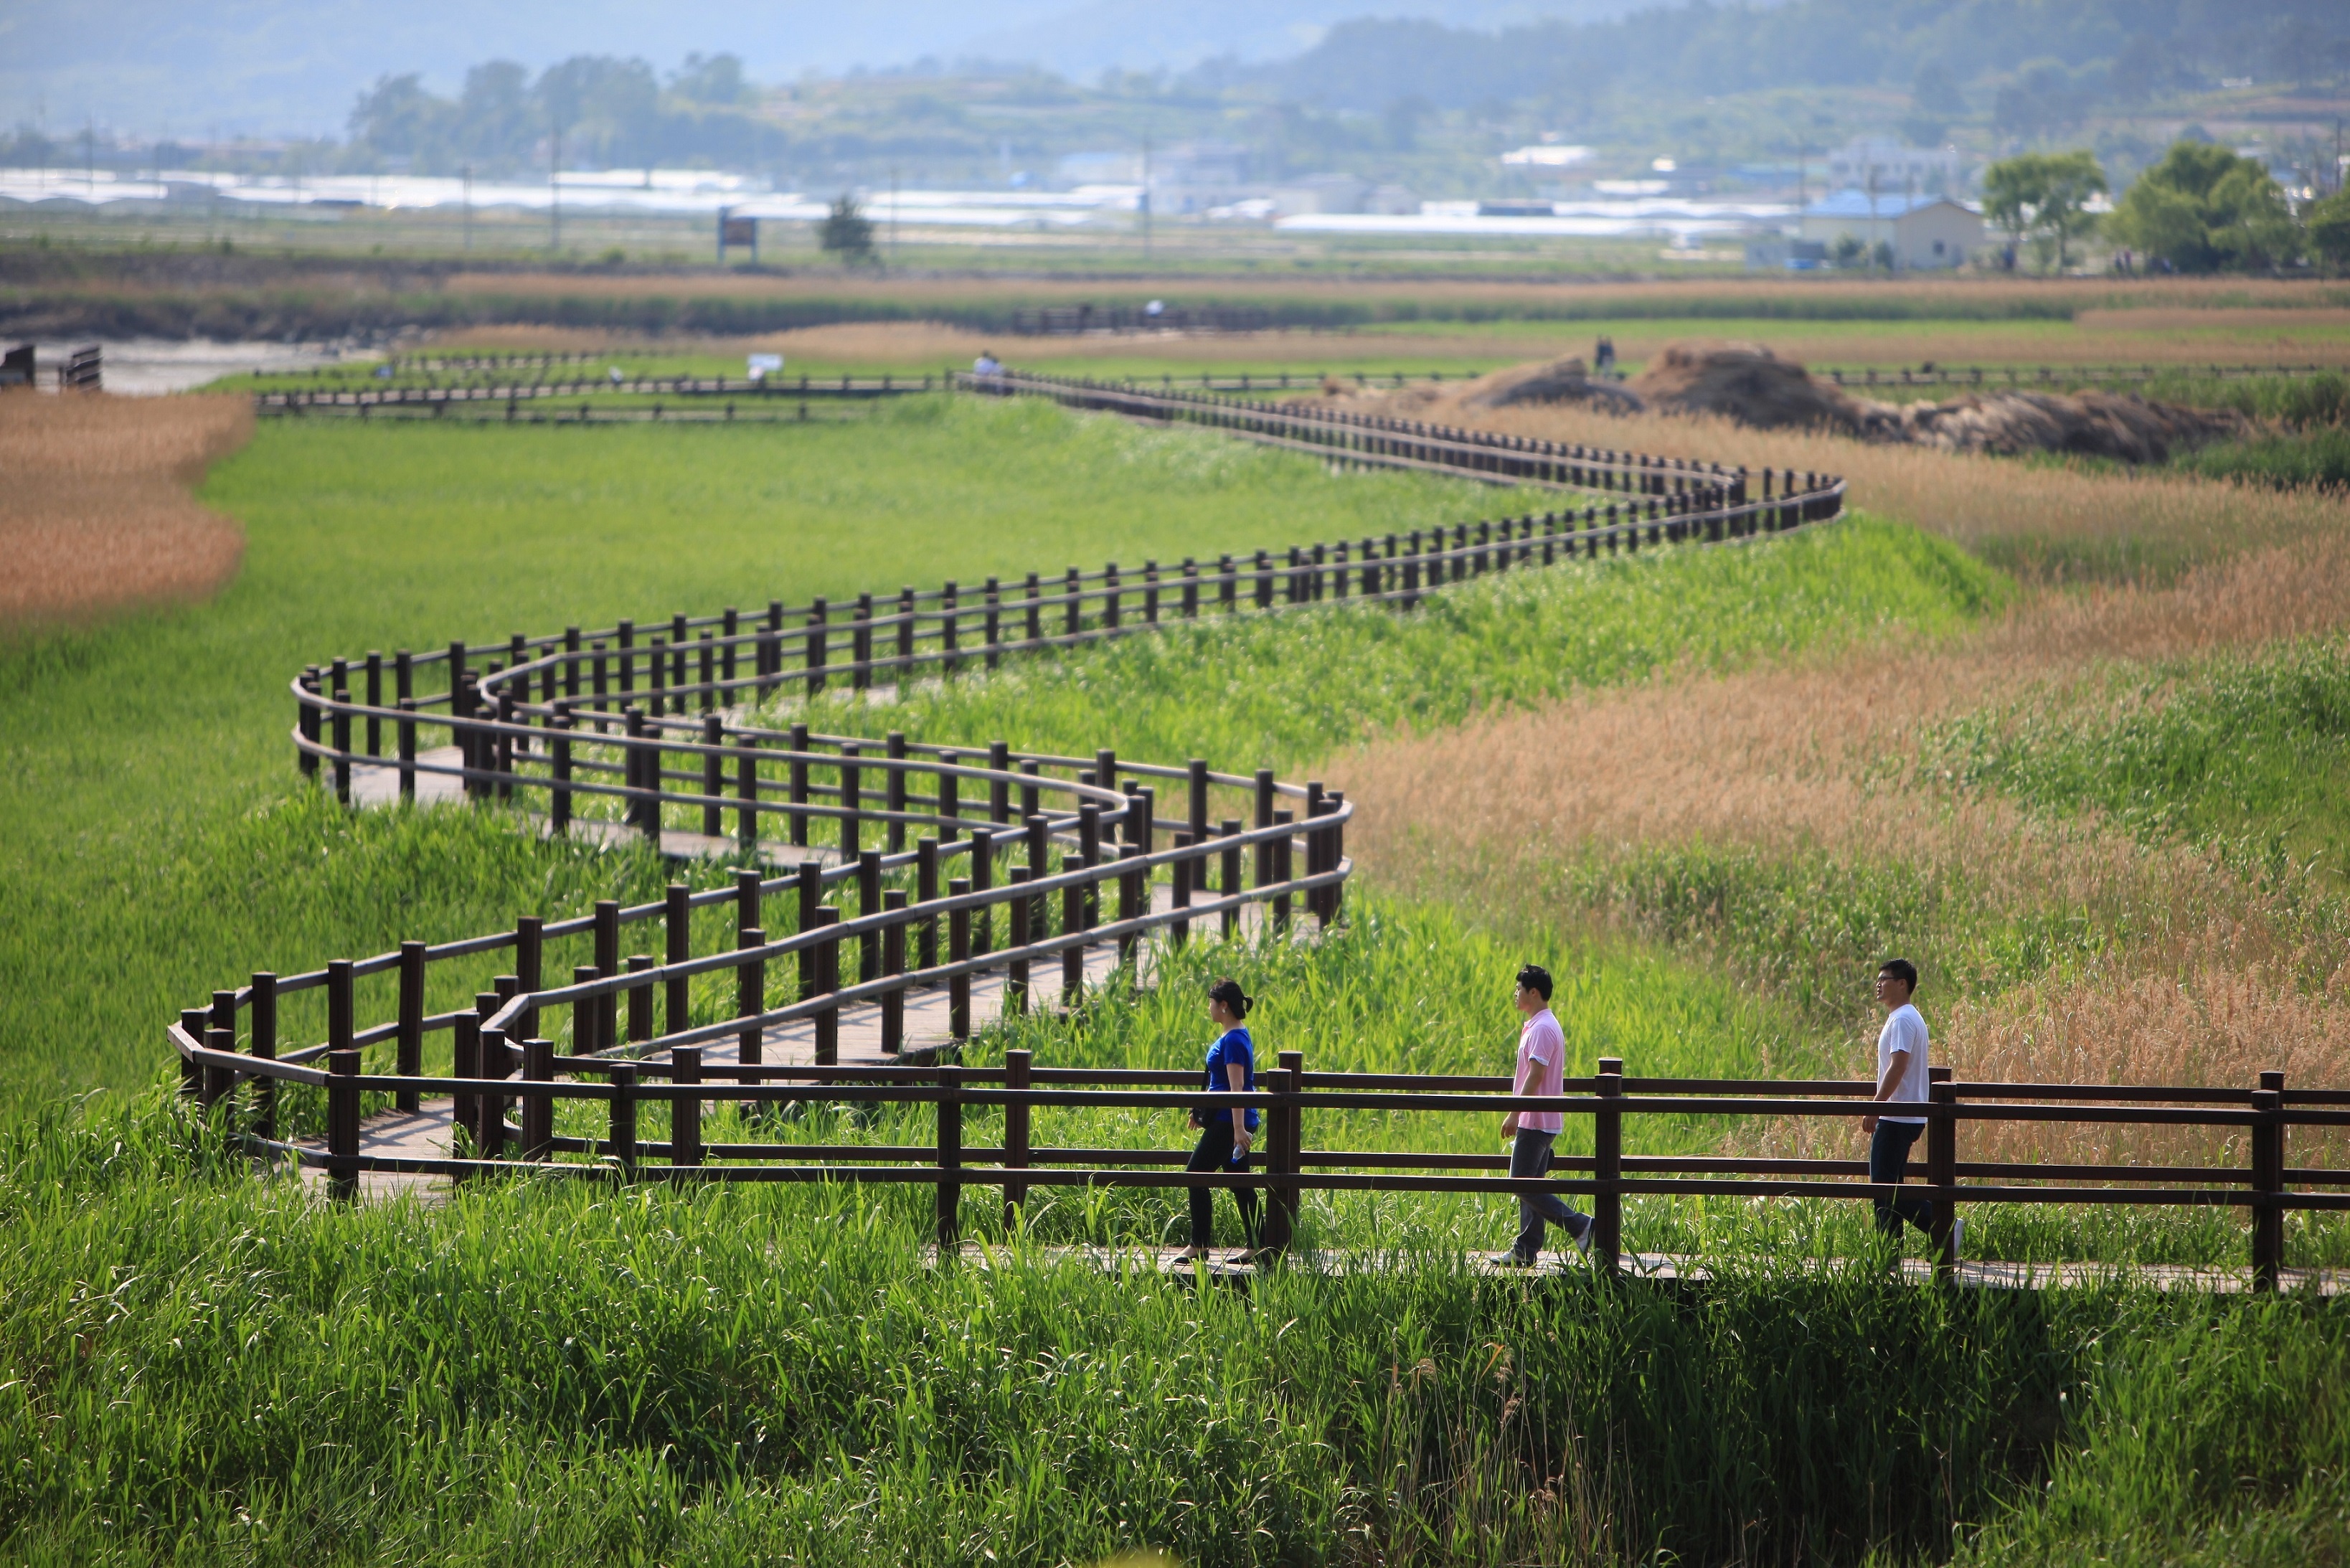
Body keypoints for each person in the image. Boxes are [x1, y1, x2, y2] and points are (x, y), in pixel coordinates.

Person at [1499, 964, 1591, 1265]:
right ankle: (1526, 1250)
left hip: (1535, 1119)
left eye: (1519, 989)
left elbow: (1535, 1076)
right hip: (1541, 1118)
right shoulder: (1541, 1024)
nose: (1515, 994)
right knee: (1532, 1184)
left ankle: (1580, 1225)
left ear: (1533, 992)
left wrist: (1515, 1114)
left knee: (1521, 1183)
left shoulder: (1541, 1029)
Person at [1177, 978, 1260, 1265]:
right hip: (1226, 1118)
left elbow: (1236, 1088)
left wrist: (1238, 1130)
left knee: (1196, 1174)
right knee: (1239, 1181)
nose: (1209, 1008)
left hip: (1230, 1120)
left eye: (1212, 1003)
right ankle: (1258, 1243)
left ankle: (1199, 1244)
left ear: (1224, 1006)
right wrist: (1201, 1111)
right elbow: (1219, 1082)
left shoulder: (1235, 1040)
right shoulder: (1234, 1035)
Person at [1863, 958, 1937, 1246]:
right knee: (1890, 1185)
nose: (1879, 984)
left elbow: (1898, 1066)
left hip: (1897, 1116)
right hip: (1903, 1113)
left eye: (1886, 979)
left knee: (1882, 1186)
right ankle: (1890, 1252)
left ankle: (1941, 1224)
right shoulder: (1903, 1016)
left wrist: (1876, 1107)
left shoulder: (1904, 1019)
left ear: (1902, 984)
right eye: (1878, 979)